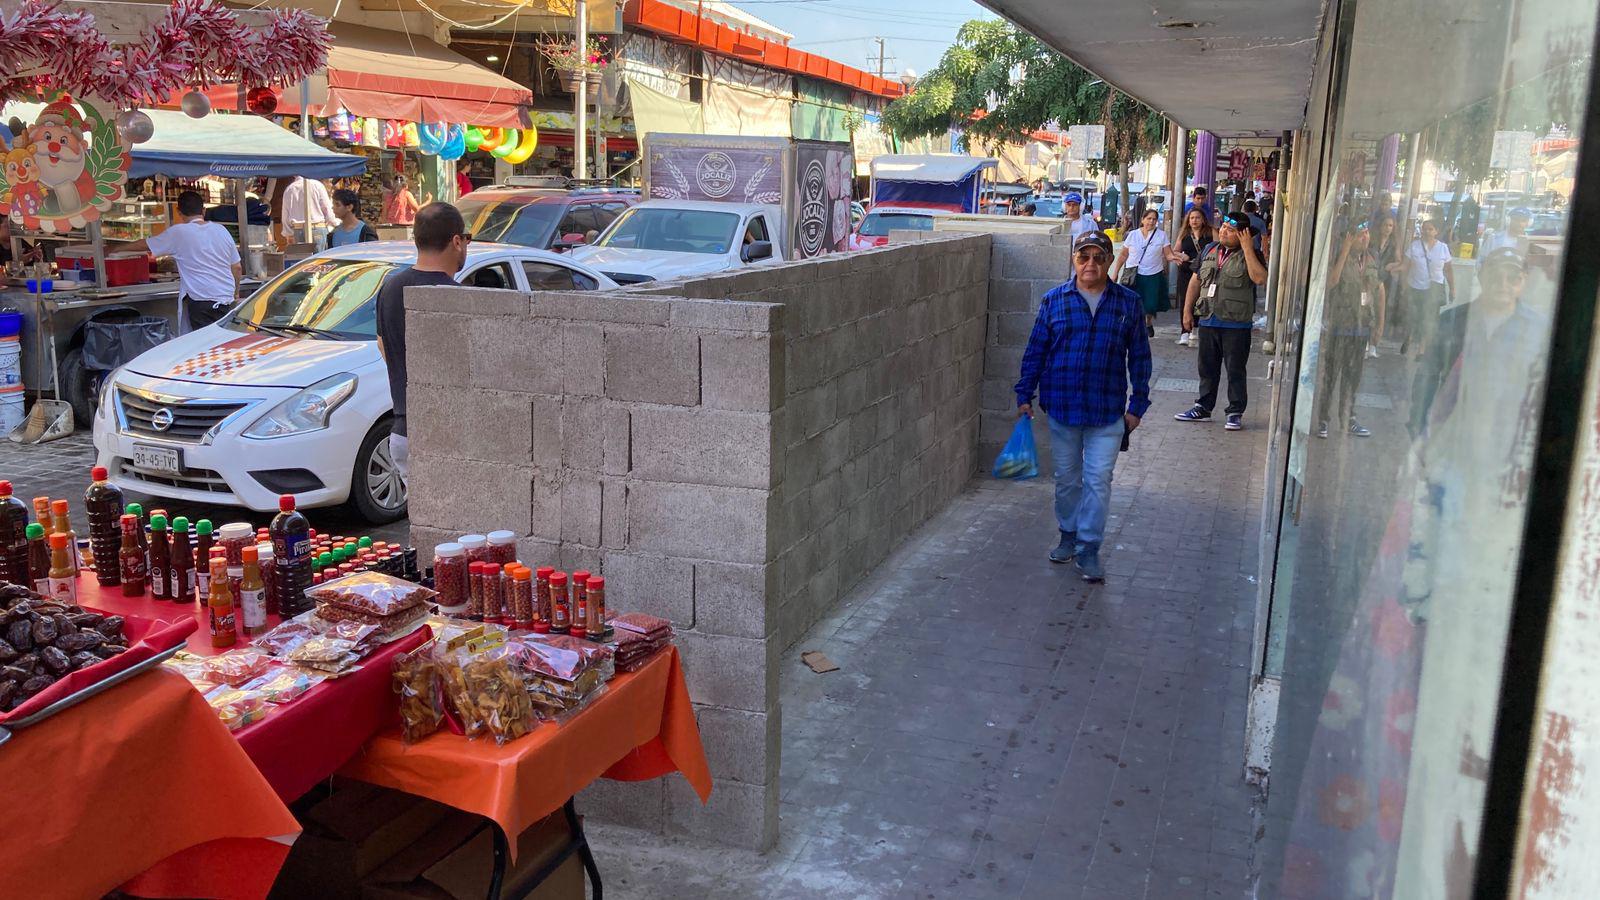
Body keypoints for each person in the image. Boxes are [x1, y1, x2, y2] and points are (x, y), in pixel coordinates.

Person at [1014, 230, 1152, 583]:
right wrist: (1023, 394)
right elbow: (1036, 351)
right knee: (1067, 480)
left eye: (1098, 257)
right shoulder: (1054, 301)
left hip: (1107, 411)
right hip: (1062, 407)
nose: (1090, 264)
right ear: (1074, 260)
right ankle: (1069, 535)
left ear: (1108, 261)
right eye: (1083, 257)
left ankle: (1089, 547)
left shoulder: (1128, 303)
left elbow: (1139, 357)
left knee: (1098, 480)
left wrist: (1137, 406)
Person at [374, 203, 470, 483]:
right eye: (467, 239)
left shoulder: (390, 288)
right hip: (443, 434)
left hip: (403, 431)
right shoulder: (458, 299)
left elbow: (384, 347)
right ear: (456, 241)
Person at [1175, 211, 1267, 430]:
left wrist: (1246, 248)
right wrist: (1187, 312)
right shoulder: (1210, 250)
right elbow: (1195, 282)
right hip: (1208, 318)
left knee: (1235, 369)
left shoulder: (1252, 254)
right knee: (1207, 368)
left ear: (1243, 235)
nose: (1224, 231)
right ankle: (1203, 407)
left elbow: (1260, 278)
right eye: (1223, 227)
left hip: (1236, 323)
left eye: (1230, 230)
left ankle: (1235, 411)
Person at [119, 190, 240, 333]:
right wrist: (235, 293)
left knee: (205, 347)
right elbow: (237, 267)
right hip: (226, 301)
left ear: (179, 212)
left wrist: (114, 249)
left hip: (202, 302)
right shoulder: (221, 230)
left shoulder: (178, 232)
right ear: (203, 210)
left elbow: (145, 245)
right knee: (223, 344)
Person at [1314, 220, 1383, 438]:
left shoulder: (1371, 259)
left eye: (1367, 233)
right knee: (1331, 376)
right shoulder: (1337, 257)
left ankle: (1349, 418)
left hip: (1361, 326)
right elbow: (1331, 282)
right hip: (1338, 326)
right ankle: (1323, 420)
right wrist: (1344, 250)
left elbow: (1380, 290)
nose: (1365, 238)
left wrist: (1380, 324)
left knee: (1353, 376)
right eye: (1360, 234)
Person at [1111, 207, 1182, 337]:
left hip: (1153, 274)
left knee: (1149, 304)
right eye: (1149, 218)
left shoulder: (1161, 235)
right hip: (1133, 273)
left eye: (1154, 219)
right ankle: (1134, 325)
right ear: (1143, 220)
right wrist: (1115, 273)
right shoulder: (1132, 235)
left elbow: (1168, 254)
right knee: (1131, 301)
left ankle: (1148, 322)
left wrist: (1175, 258)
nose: (1151, 222)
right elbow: (1123, 255)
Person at [1403, 217, 1454, 354]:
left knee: (1428, 318)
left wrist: (1452, 289)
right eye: (1424, 229)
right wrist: (1403, 285)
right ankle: (1410, 336)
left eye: (1430, 229)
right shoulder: (1414, 246)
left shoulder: (1443, 248)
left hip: (1434, 288)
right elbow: (1405, 266)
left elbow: (1448, 270)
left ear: (1436, 231)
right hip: (1415, 286)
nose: (1426, 232)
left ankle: (1422, 349)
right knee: (1414, 315)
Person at [1173, 207, 1213, 347]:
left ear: (1203, 220)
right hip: (1187, 270)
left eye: (1197, 218)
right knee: (1186, 299)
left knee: (1202, 299)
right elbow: (1175, 251)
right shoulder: (1184, 234)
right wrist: (1181, 256)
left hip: (1205, 272)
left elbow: (1220, 248)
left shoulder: (1210, 233)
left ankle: (1196, 327)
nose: (1194, 221)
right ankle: (1185, 330)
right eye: (1191, 218)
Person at [281, 175, 336, 247]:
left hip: (298, 230)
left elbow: (285, 215)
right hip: (317, 228)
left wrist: (289, 234)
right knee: (318, 257)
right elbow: (327, 209)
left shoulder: (290, 189)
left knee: (302, 257)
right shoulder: (317, 185)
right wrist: (333, 223)